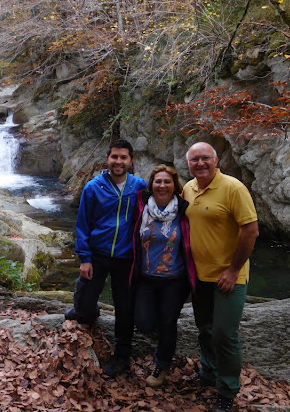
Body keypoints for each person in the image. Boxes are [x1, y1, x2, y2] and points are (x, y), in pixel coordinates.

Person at [182, 142, 259, 412]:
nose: (200, 163)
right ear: (188, 164)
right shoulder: (188, 188)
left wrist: (233, 269)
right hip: (198, 276)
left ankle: (227, 390)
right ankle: (209, 373)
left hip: (229, 277)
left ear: (216, 161)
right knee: (205, 329)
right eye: (194, 160)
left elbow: (251, 231)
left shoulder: (234, 188)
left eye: (205, 159)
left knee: (225, 334)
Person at [65, 138, 147, 378]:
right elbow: (82, 225)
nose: (118, 161)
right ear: (107, 159)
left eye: (123, 157)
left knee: (124, 306)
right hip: (98, 254)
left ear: (131, 161)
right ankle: (85, 309)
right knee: (85, 304)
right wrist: (84, 258)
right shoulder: (93, 187)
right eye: (114, 157)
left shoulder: (140, 186)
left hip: (126, 256)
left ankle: (122, 355)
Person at [131, 164, 197, 388]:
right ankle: (163, 339)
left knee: (168, 322)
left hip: (174, 280)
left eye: (167, 181)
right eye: (158, 181)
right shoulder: (141, 207)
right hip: (146, 278)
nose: (162, 185)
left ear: (175, 186)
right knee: (144, 323)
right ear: (151, 185)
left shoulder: (184, 210)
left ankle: (162, 366)